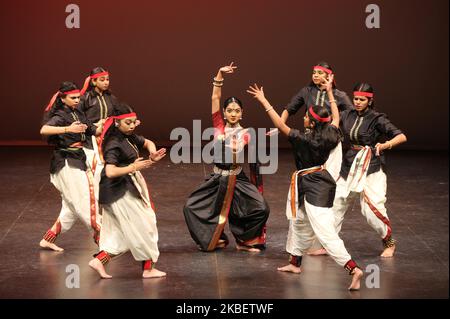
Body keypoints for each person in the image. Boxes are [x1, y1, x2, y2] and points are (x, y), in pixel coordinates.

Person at [247, 75, 363, 290]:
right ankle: (294, 263)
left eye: (306, 117)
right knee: (299, 221)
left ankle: (353, 269)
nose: (303, 119)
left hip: (314, 187)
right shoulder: (330, 133)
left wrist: (263, 101)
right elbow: (335, 116)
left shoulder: (304, 139)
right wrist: (329, 93)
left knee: (325, 231)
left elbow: (280, 124)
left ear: (311, 121)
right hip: (315, 182)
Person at [183, 63, 270, 253]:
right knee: (190, 207)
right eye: (229, 110)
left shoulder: (247, 131)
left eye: (237, 110)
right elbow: (215, 97)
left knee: (261, 208)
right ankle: (217, 239)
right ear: (224, 113)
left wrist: (250, 140)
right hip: (217, 179)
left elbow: (245, 140)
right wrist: (219, 74)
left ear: (242, 113)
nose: (233, 113)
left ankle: (245, 240)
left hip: (237, 179)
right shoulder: (218, 127)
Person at [88, 103, 166, 279]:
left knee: (122, 233)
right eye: (128, 123)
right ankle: (148, 268)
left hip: (123, 187)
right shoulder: (114, 143)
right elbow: (110, 171)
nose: (131, 126)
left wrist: (152, 153)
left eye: (133, 123)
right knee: (146, 224)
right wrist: (133, 166)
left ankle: (100, 260)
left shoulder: (128, 136)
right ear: (117, 123)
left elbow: (147, 142)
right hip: (118, 191)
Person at [333, 83, 407, 258]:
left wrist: (385, 145)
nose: (357, 102)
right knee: (336, 203)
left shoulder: (377, 118)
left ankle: (389, 242)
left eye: (362, 99)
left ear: (370, 100)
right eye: (356, 99)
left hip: (371, 165)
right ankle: (330, 243)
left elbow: (401, 136)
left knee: (371, 209)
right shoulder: (348, 114)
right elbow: (331, 122)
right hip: (350, 164)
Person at [39, 82, 103, 251]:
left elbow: (94, 130)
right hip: (66, 162)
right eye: (73, 98)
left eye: (78, 97)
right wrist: (68, 129)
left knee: (71, 207)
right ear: (63, 98)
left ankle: (49, 238)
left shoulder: (77, 113)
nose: (77, 100)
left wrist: (116, 123)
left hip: (78, 159)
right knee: (85, 201)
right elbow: (44, 130)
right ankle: (105, 241)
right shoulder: (60, 115)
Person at [78, 67, 120, 183]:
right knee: (94, 168)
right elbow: (80, 117)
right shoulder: (85, 98)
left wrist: (126, 120)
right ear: (93, 81)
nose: (106, 82)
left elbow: (117, 113)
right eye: (102, 80)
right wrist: (94, 128)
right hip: (91, 139)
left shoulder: (111, 98)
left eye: (107, 79)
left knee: (110, 165)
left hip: (107, 137)